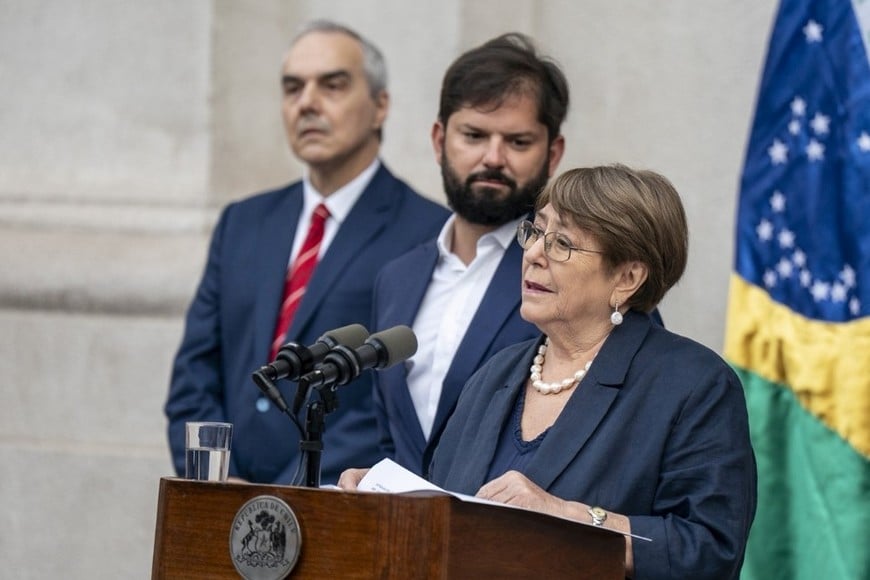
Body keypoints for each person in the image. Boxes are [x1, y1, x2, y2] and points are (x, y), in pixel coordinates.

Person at [342, 165, 757, 579]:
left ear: (627, 277)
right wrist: (389, 498)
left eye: (562, 244)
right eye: (536, 232)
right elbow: (451, 508)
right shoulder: (496, 373)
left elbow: (709, 550)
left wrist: (564, 516)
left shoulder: (693, 386)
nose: (534, 254)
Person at [165, 20, 449, 485]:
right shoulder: (244, 222)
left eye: (332, 85)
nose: (308, 103)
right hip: (219, 502)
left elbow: (398, 397)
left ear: (380, 106)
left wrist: (286, 496)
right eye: (293, 88)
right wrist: (221, 482)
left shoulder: (425, 231)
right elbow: (194, 377)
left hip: (332, 503)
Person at [371, 33, 568, 477]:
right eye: (475, 135)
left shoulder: (574, 274)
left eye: (518, 142)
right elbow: (390, 437)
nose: (493, 158)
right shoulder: (396, 279)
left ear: (553, 153)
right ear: (440, 139)